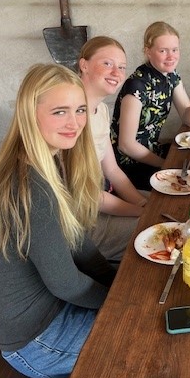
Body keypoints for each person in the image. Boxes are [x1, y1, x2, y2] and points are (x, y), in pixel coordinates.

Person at [0, 64, 116, 378]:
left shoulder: (42, 161)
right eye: (60, 112)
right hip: (38, 343)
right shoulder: (30, 183)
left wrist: (118, 284)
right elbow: (65, 283)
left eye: (80, 109)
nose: (75, 123)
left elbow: (79, 243)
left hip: (53, 314)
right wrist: (119, 303)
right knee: (149, 336)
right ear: (30, 114)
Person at [111, 21, 190, 189]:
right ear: (148, 52)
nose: (171, 56)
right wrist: (165, 164)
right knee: (189, 182)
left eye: (175, 50)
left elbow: (188, 118)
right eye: (163, 51)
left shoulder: (171, 76)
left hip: (152, 151)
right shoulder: (137, 85)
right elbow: (126, 145)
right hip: (129, 164)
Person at [79, 36, 147, 262]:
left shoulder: (101, 110)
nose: (116, 73)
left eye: (122, 67)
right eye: (107, 63)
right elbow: (86, 196)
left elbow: (112, 170)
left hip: (102, 198)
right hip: (83, 223)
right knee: (162, 226)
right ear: (84, 65)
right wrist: (141, 211)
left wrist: (141, 203)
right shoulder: (72, 119)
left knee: (171, 206)